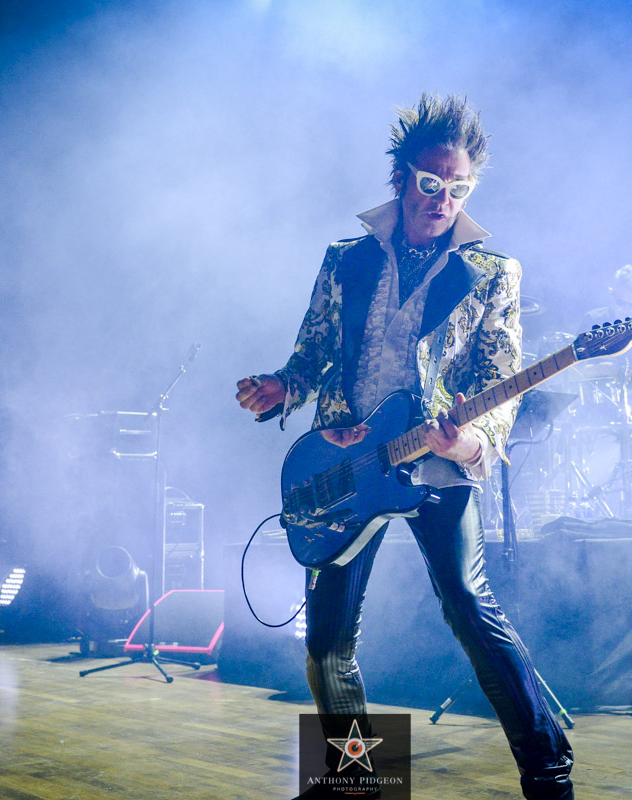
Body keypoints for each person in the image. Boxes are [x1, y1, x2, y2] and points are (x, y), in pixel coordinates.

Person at [236, 94, 574, 800]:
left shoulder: (492, 273)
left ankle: (549, 771)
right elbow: (314, 352)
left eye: (458, 189)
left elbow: (499, 381)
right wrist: (284, 388)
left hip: (437, 461)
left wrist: (473, 441)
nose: (442, 200)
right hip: (349, 467)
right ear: (402, 179)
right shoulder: (345, 260)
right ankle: (357, 782)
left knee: (470, 610)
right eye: (430, 184)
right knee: (328, 644)